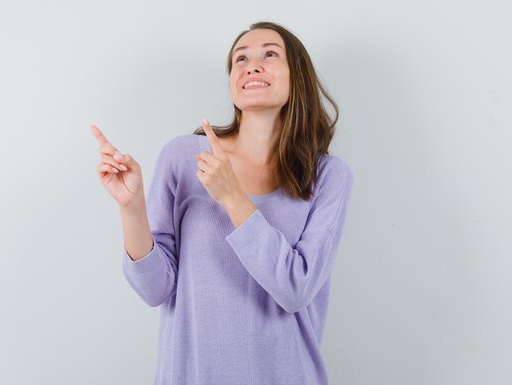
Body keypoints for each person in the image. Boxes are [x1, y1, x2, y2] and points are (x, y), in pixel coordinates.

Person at [90, 21, 354, 385]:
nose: (252, 65)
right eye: (240, 59)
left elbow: (296, 288)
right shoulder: (183, 157)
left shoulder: (328, 176)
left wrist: (232, 197)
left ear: (298, 77)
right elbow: (154, 290)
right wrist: (131, 206)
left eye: (270, 55)